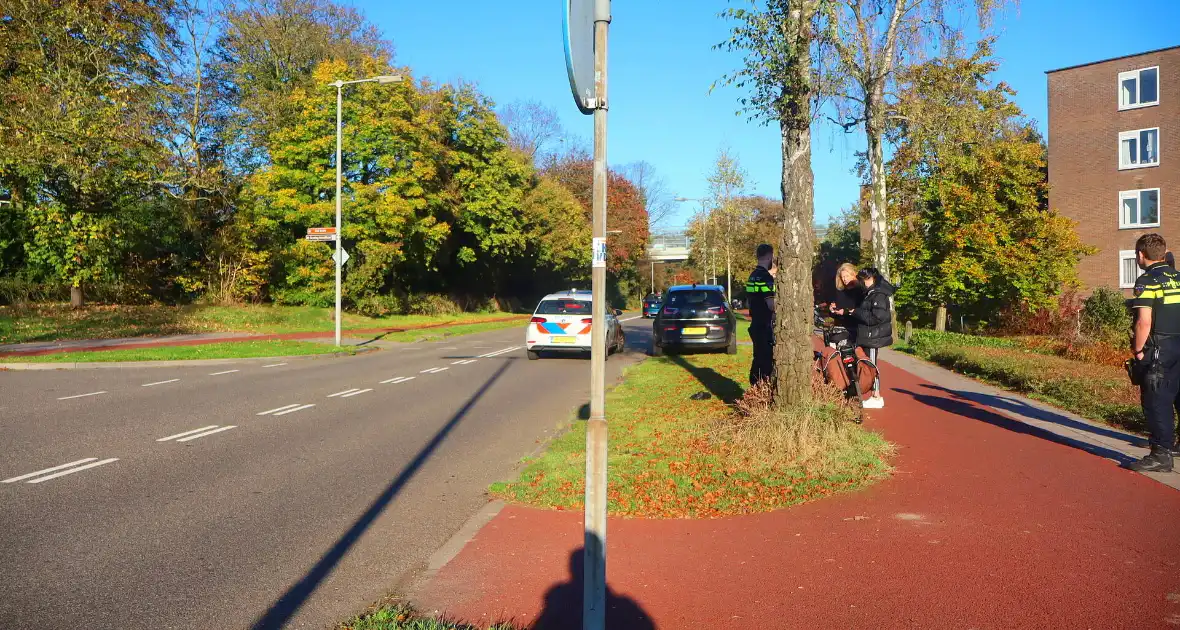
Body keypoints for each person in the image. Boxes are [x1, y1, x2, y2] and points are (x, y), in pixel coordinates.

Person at [1126, 233, 1180, 472]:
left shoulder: (1147, 281)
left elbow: (1143, 322)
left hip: (1160, 348)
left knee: (1156, 399)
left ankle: (1161, 454)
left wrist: (1138, 351)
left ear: (1140, 255)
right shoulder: (1178, 277)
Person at [833, 267, 894, 408]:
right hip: (868, 335)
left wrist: (855, 312)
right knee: (868, 365)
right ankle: (873, 394)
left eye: (867, 279)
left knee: (872, 367)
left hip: (873, 336)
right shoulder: (870, 292)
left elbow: (876, 318)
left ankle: (877, 396)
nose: (864, 282)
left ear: (873, 279)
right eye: (863, 280)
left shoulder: (877, 294)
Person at [745, 243, 776, 386]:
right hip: (765, 325)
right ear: (770, 256)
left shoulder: (752, 276)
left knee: (757, 358)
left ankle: (754, 388)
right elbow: (771, 305)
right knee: (765, 360)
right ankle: (762, 390)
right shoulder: (766, 277)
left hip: (755, 323)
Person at [829, 263, 862, 343]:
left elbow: (862, 311)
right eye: (842, 277)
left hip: (856, 330)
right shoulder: (840, 292)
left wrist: (845, 312)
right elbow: (835, 313)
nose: (844, 279)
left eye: (847, 276)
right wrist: (832, 310)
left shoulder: (860, 291)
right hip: (840, 329)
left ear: (853, 275)